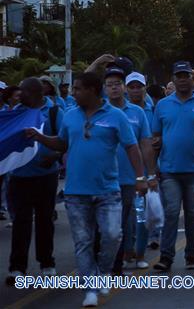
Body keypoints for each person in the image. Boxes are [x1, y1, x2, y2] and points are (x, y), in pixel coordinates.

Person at [24, 72, 147, 308]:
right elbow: (62, 143)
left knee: (112, 235)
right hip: (76, 192)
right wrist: (40, 137)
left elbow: (132, 147)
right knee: (83, 241)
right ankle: (90, 287)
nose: (73, 93)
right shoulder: (70, 116)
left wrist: (141, 177)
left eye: (78, 89)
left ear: (93, 90)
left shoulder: (116, 116)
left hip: (108, 190)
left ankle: (103, 271)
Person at [5, 78, 64, 286]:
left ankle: (47, 264)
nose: (20, 95)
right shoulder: (16, 111)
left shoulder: (55, 111)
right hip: (19, 176)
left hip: (46, 175)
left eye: (24, 91)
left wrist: (55, 156)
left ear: (38, 92)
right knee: (21, 222)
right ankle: (17, 268)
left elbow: (65, 140)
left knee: (44, 220)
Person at [103, 67, 157, 275]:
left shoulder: (138, 113)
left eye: (118, 83)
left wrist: (149, 175)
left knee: (134, 220)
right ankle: (116, 260)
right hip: (107, 178)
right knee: (111, 224)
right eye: (110, 84)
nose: (115, 88)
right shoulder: (100, 110)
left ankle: (135, 256)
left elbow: (145, 144)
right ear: (105, 89)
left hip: (132, 177)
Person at [151, 61, 194, 272]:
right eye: (179, 75)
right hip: (169, 169)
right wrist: (152, 166)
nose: (182, 79)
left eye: (186, 75)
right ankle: (166, 257)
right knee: (171, 212)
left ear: (193, 78)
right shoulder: (163, 105)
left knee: (193, 215)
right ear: (173, 79)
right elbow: (155, 137)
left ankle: (192, 255)